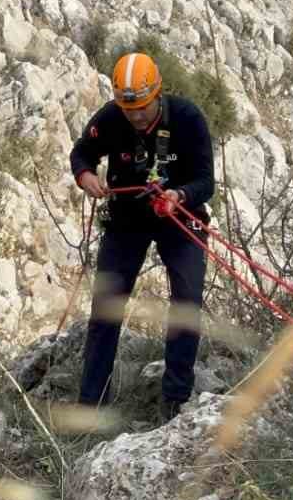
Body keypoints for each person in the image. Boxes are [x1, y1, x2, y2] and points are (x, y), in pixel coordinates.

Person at [71, 52, 214, 421]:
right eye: (128, 108)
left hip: (179, 217)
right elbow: (83, 152)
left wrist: (180, 195)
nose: (135, 116)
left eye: (143, 108)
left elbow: (205, 181)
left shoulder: (187, 118)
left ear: (158, 94)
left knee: (187, 302)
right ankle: (91, 404)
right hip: (127, 218)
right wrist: (86, 175)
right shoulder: (112, 117)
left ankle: (175, 400)